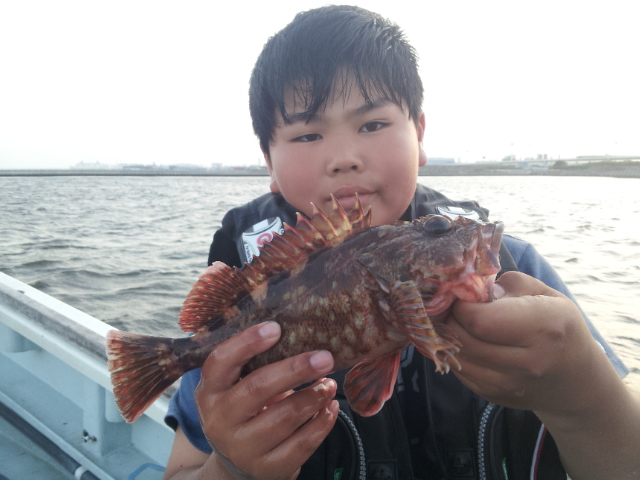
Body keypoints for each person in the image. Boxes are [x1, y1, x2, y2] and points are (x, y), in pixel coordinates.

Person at [162, 6, 640, 480]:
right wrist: (229, 468)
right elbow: (181, 471)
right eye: (307, 134)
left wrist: (583, 393)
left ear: (420, 133)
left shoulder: (520, 271)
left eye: (372, 124)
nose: (344, 158)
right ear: (269, 161)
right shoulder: (242, 303)